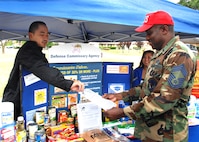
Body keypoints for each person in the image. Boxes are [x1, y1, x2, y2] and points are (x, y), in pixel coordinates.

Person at [103, 10, 196, 142]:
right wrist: (120, 96)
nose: (146, 38)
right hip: (150, 132)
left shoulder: (180, 55)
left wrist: (123, 112)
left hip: (168, 135)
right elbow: (147, 88)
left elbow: (165, 98)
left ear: (164, 29)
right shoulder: (159, 55)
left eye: (149, 33)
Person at [2, 21, 84, 120]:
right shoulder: (28, 51)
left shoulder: (37, 51)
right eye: (41, 34)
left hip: (27, 101)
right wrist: (68, 83)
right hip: (16, 103)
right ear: (31, 35)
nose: (45, 38)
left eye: (47, 35)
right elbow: (42, 69)